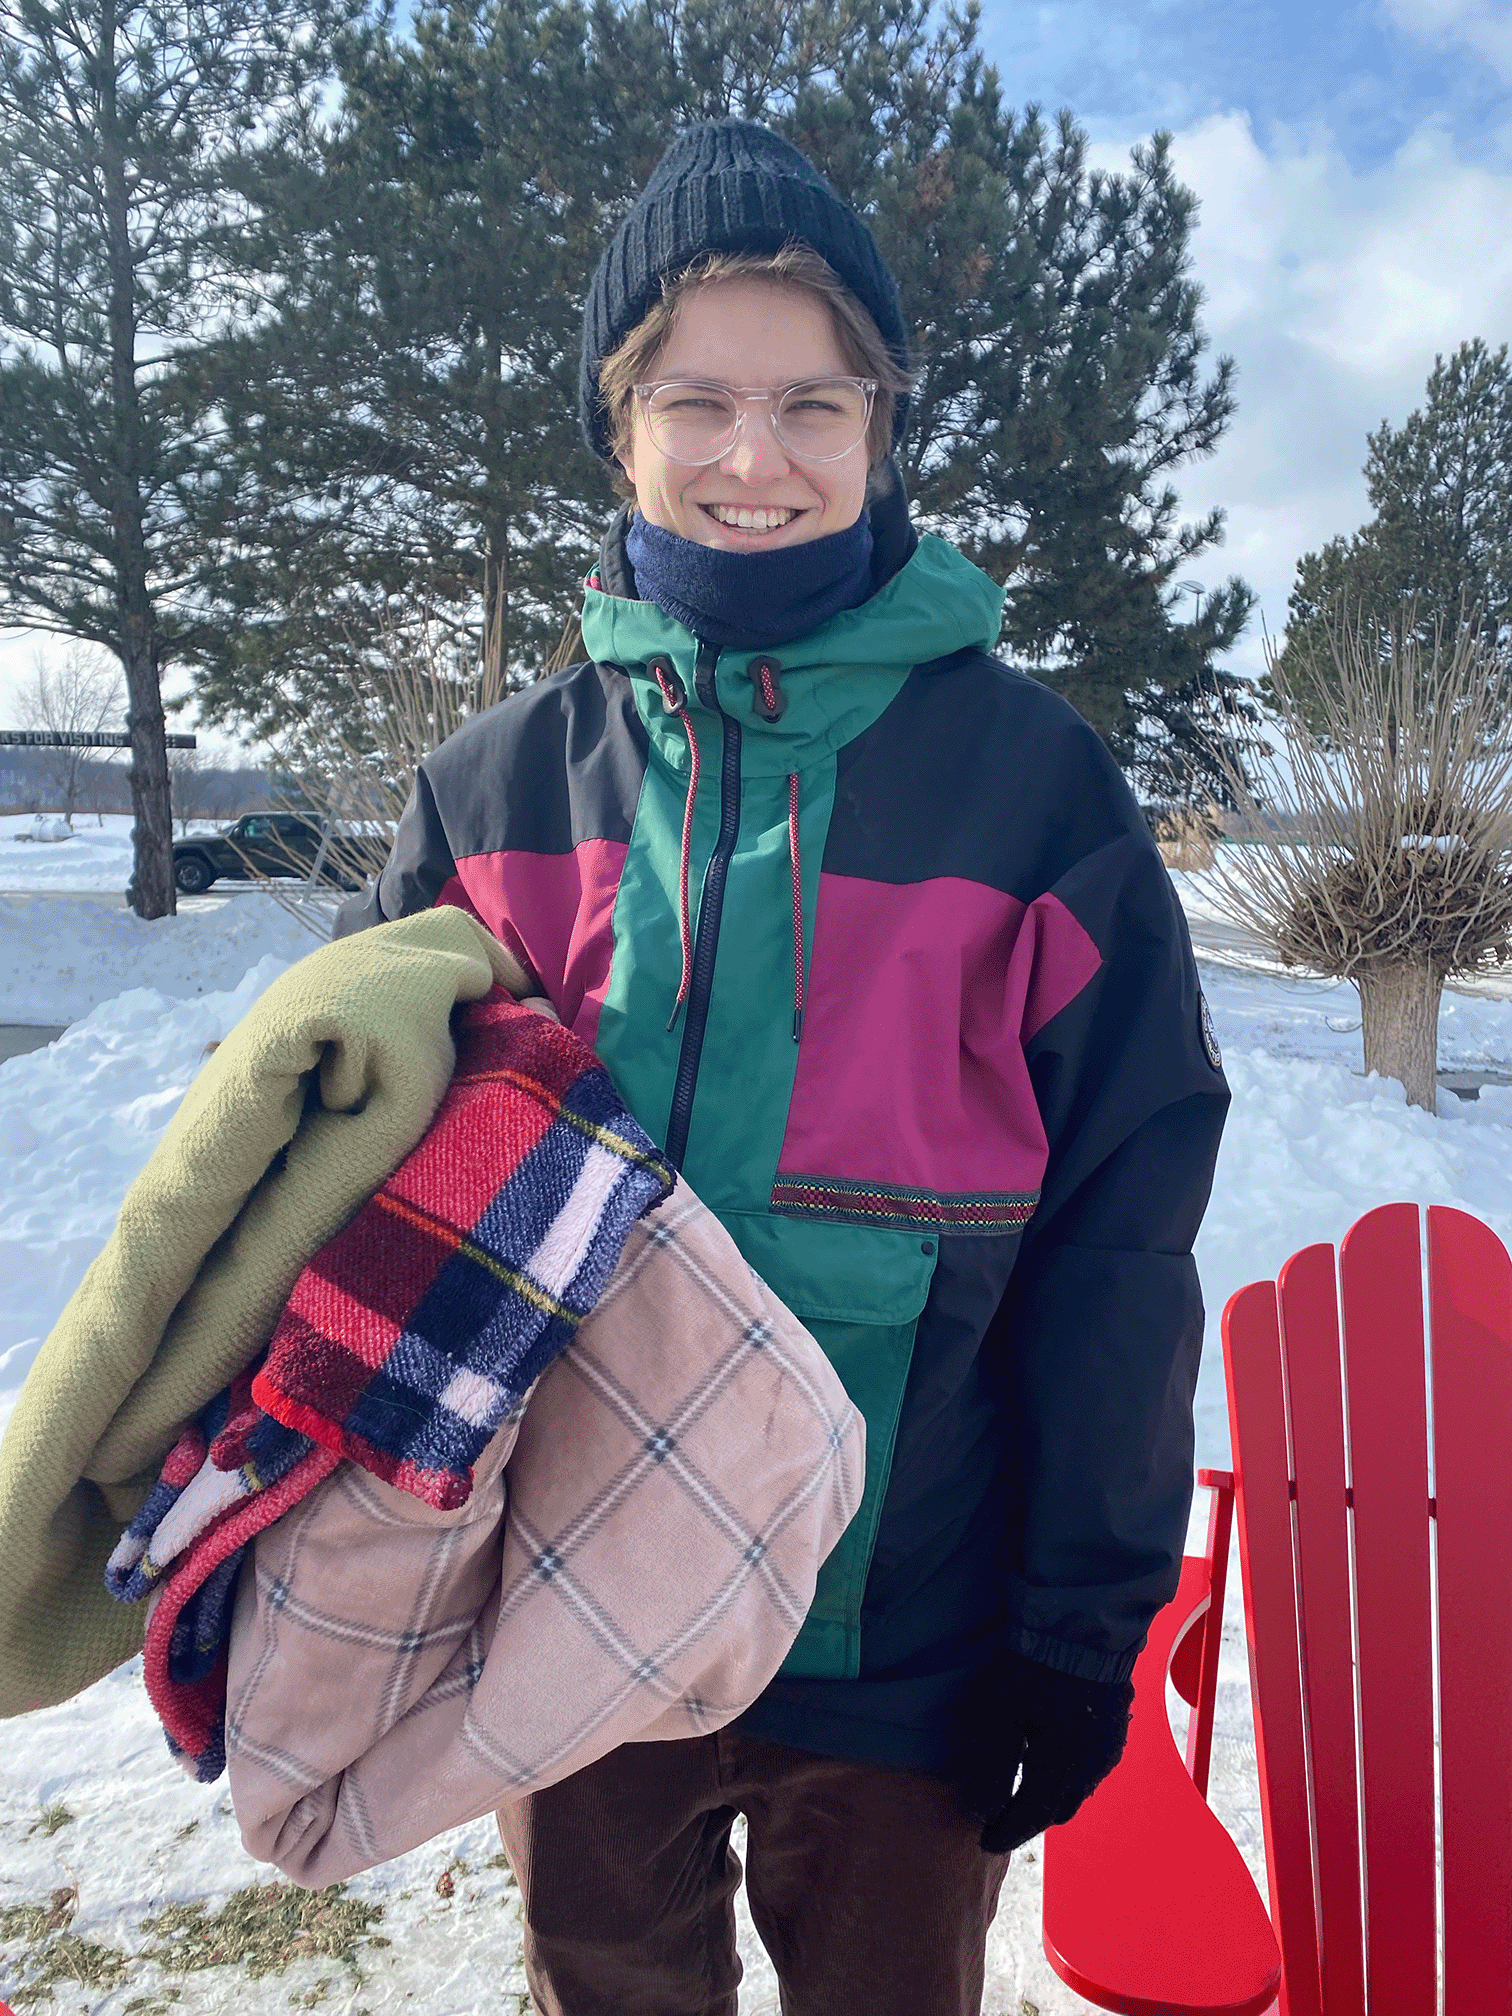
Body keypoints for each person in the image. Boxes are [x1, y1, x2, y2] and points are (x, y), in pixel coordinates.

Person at [336, 117, 1228, 2016]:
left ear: (882, 425)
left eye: (816, 405)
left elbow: (1122, 1238)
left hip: (910, 1648)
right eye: (701, 401)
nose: (759, 458)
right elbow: (363, 1212)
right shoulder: (489, 797)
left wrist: (1078, 1626)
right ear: (621, 419)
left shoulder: (1036, 795)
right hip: (574, 1631)